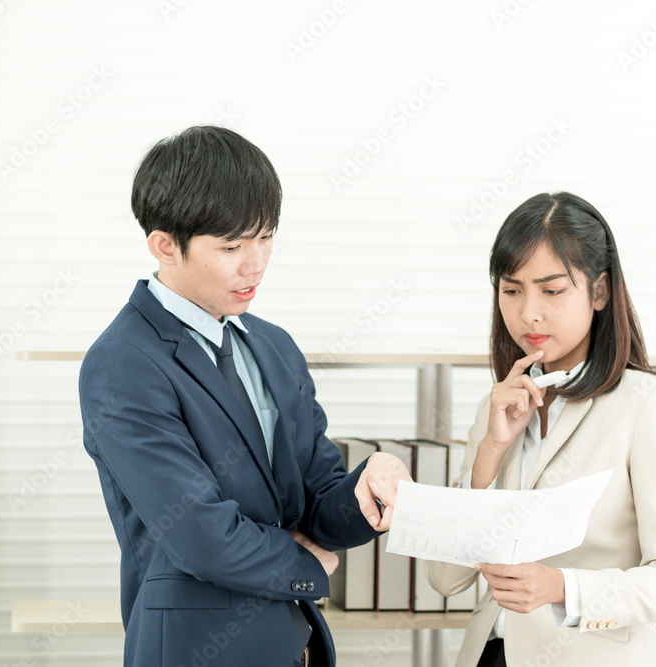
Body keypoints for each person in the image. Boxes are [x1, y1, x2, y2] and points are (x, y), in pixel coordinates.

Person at [79, 125, 410, 667]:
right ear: (165, 245)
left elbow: (316, 498)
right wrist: (307, 563)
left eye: (265, 237)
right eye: (232, 246)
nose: (255, 263)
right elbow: (198, 533)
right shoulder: (123, 363)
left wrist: (368, 487)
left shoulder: (272, 345)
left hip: (295, 645)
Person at [425, 192, 656, 666]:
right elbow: (444, 579)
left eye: (552, 291)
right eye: (511, 290)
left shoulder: (650, 407)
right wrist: (491, 451)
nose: (529, 312)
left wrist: (561, 587)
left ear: (599, 291)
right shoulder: (498, 405)